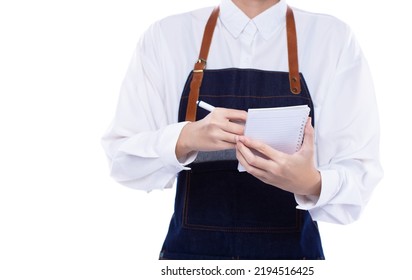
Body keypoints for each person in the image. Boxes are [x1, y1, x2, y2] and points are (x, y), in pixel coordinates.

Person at [102, 0, 383, 260]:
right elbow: (122, 160)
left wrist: (309, 183)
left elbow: (359, 176)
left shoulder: (332, 39)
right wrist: (185, 139)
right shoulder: (166, 37)